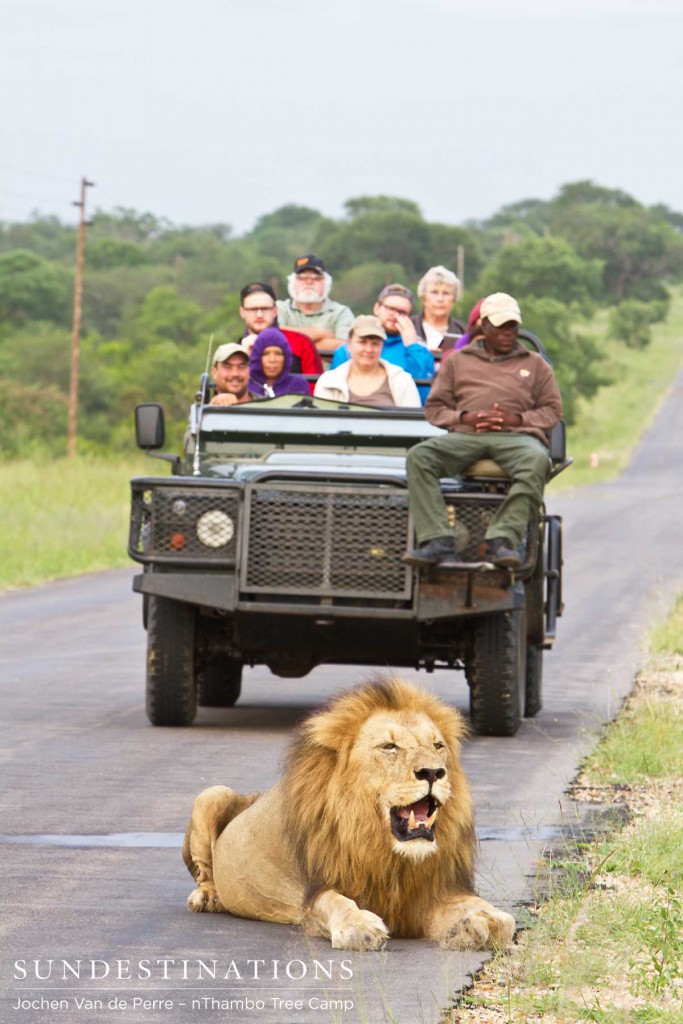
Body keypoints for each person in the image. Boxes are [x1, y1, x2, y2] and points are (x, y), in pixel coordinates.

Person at [403, 293, 563, 570]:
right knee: (419, 457)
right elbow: (435, 409)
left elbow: (552, 411)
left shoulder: (535, 363)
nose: (507, 333)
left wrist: (516, 420)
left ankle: (502, 538)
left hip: (517, 438)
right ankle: (439, 539)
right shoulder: (458, 361)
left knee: (537, 461)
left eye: (512, 326)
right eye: (500, 326)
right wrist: (467, 417)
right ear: (483, 326)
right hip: (466, 435)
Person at [330, 284, 434, 402]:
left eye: (402, 312)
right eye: (390, 308)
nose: (395, 315)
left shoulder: (419, 351)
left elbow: (422, 397)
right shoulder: (348, 349)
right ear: (377, 308)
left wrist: (413, 346)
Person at [314, 315, 421, 407]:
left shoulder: (402, 380)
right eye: (362, 342)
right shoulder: (328, 381)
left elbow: (413, 426)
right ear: (349, 344)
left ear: (382, 346)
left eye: (375, 343)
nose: (368, 349)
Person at [238, 282, 323, 385]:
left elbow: (316, 389)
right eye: (253, 309)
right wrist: (244, 358)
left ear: (275, 311)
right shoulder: (234, 350)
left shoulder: (301, 343)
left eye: (265, 309)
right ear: (242, 312)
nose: (259, 314)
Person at [276, 254, 354, 353]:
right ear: (292, 283)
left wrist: (294, 344)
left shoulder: (341, 313)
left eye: (316, 278)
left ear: (326, 283)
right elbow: (274, 340)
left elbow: (347, 348)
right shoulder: (280, 308)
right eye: (302, 278)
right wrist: (320, 333)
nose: (309, 282)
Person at [411, 266, 465, 353]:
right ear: (423, 297)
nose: (440, 299)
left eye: (446, 293)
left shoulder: (463, 332)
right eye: (434, 292)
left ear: (454, 299)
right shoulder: (409, 327)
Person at [249, 327, 310, 398]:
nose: (272, 360)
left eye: (278, 353)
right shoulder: (246, 384)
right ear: (257, 357)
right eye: (266, 353)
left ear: (286, 358)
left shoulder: (298, 385)